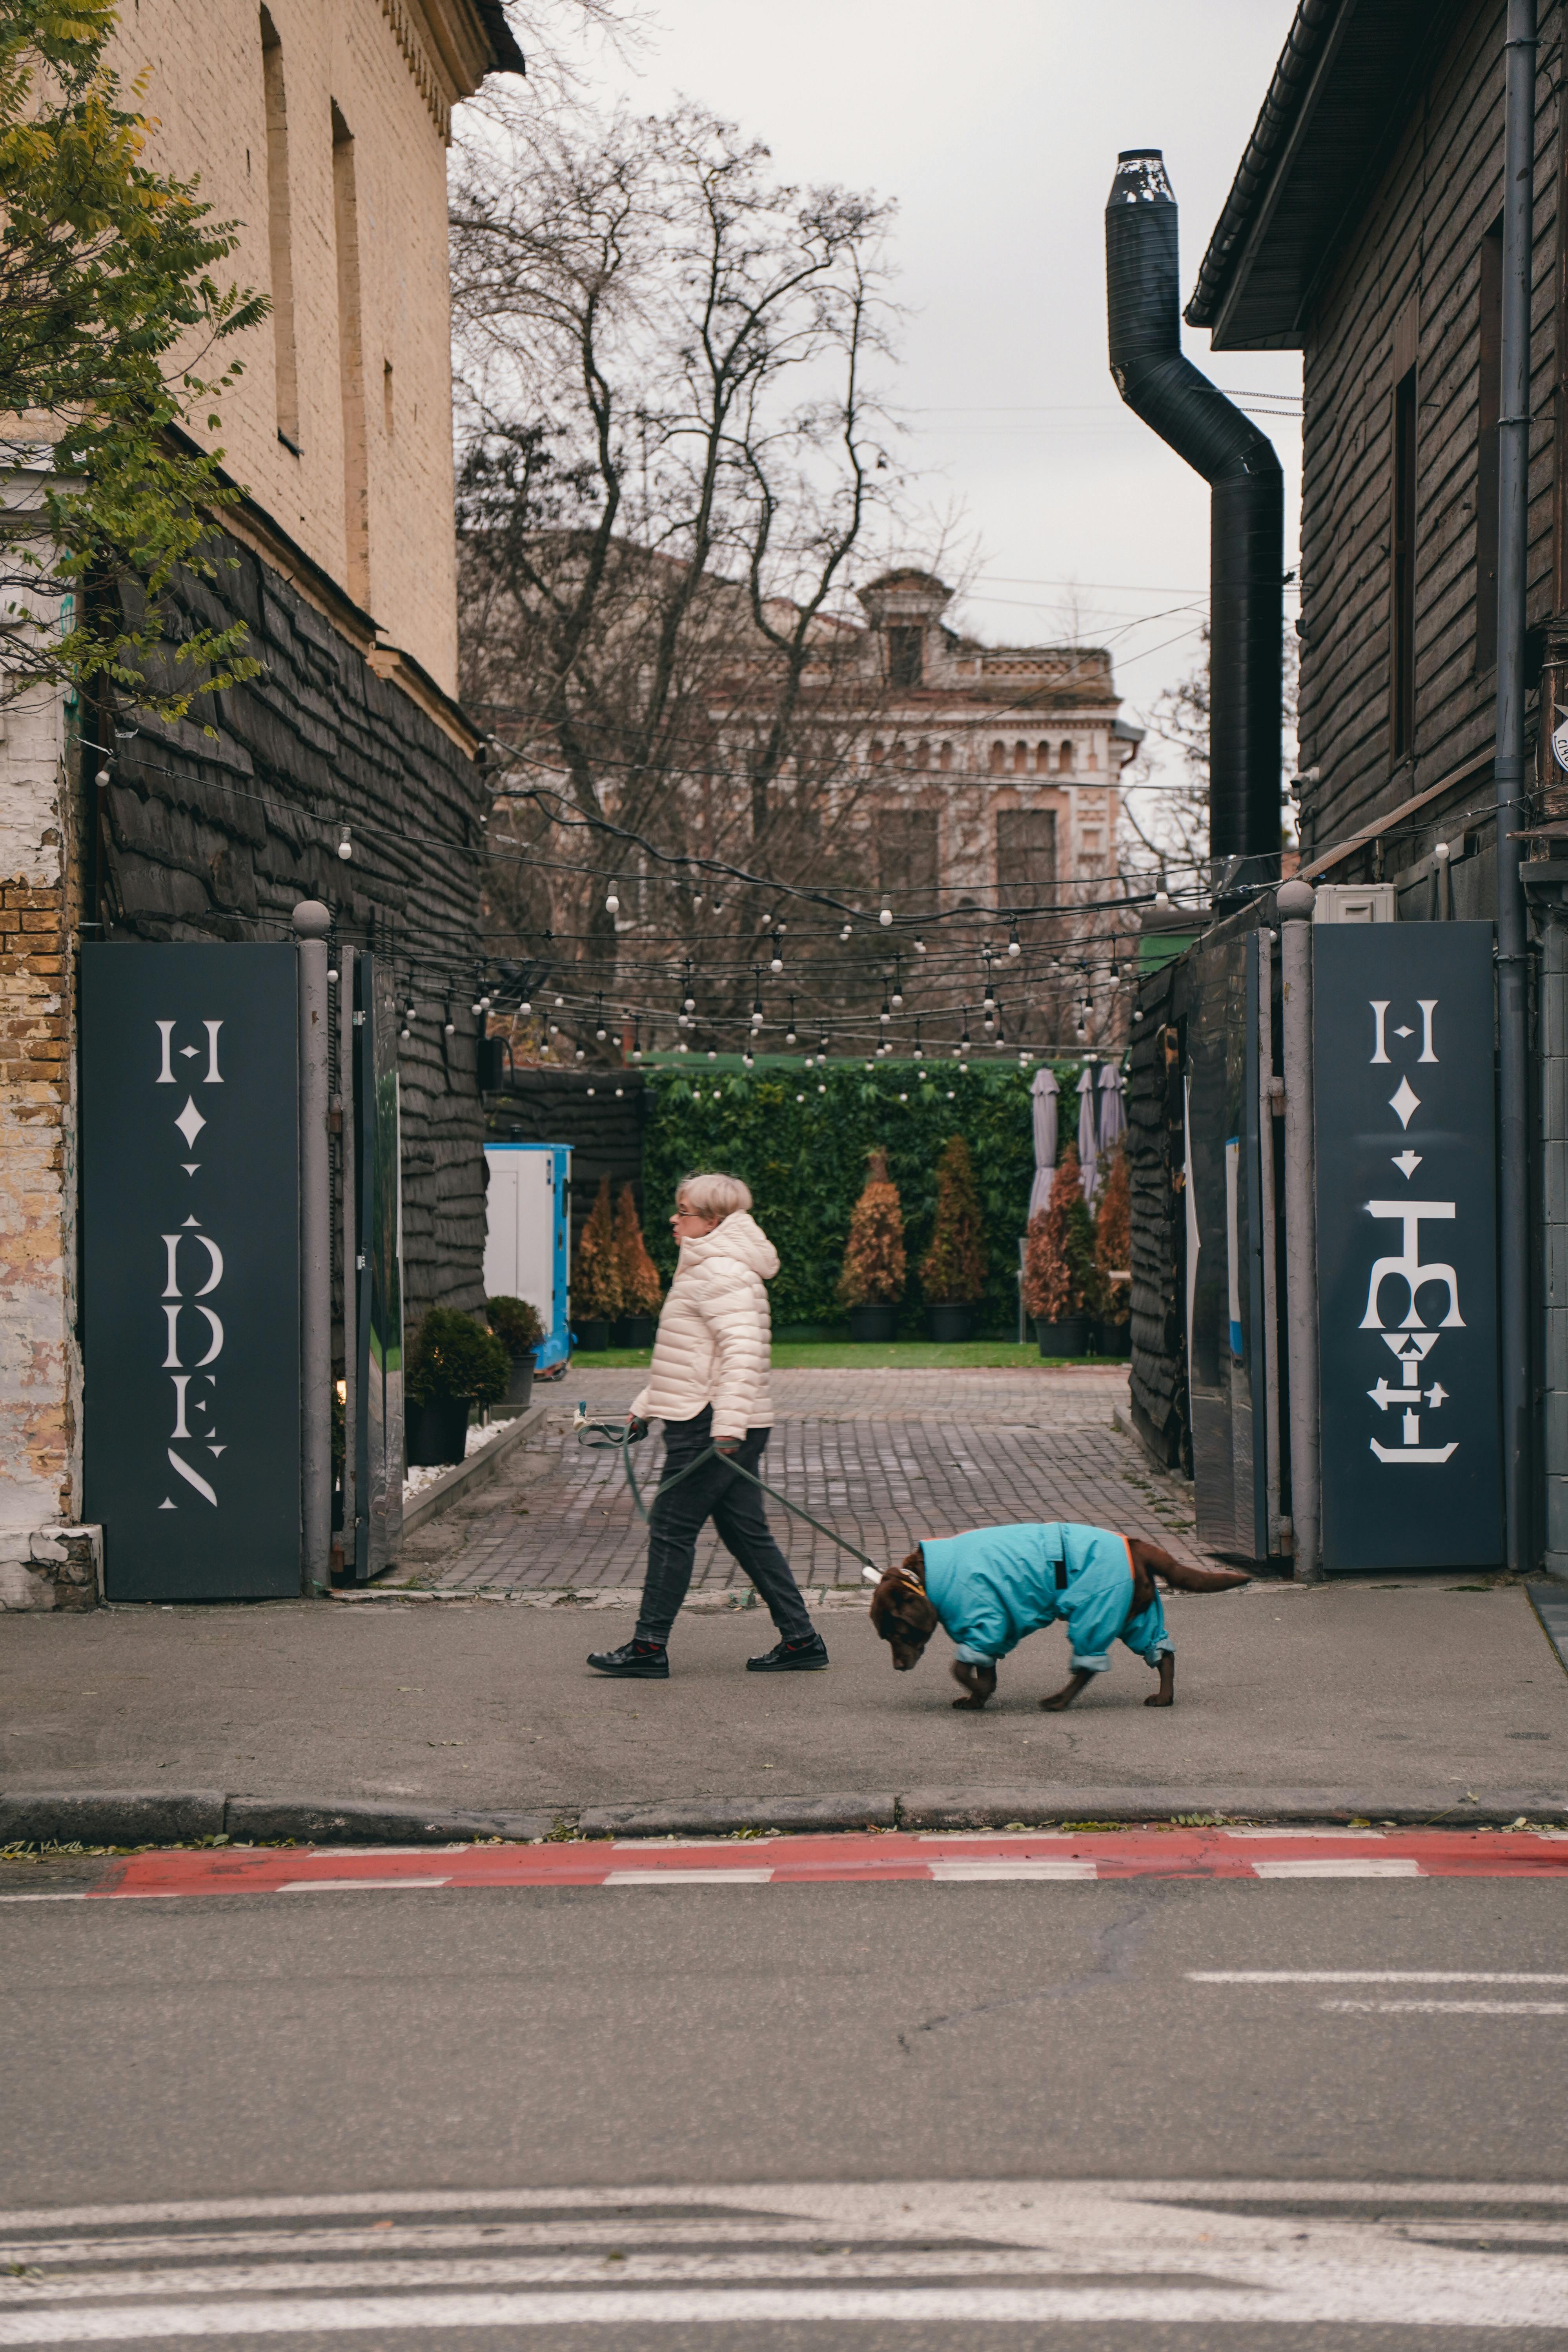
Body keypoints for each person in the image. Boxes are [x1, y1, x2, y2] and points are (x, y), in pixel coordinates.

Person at [588, 1171, 828, 1680]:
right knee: (745, 1532)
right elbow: (695, 1357)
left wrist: (728, 1430)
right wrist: (644, 1406)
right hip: (711, 1417)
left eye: (684, 1212)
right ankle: (801, 1638)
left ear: (713, 1222)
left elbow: (743, 1355)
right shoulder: (708, 1267)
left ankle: (648, 1648)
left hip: (711, 1427)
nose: (674, 1220)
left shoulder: (720, 1272)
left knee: (672, 1527)